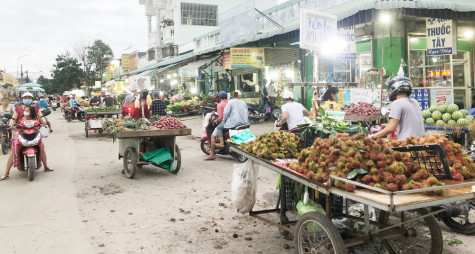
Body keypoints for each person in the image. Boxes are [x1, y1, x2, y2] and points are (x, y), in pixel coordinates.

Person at [1, 92, 53, 181]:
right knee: (13, 151)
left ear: (32, 99)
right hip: (19, 131)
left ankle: (46, 166)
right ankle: (6, 173)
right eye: (25, 98)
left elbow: (41, 117)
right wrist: (11, 124)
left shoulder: (35, 108)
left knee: (42, 148)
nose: (27, 99)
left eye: (29, 97)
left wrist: (43, 120)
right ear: (22, 99)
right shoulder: (18, 109)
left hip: (34, 130)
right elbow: (13, 119)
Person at [209, 91, 249, 160]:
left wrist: (224, 120)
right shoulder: (243, 102)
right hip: (246, 123)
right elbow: (247, 112)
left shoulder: (228, 103)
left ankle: (221, 144)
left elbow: (225, 113)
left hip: (234, 124)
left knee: (219, 127)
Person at [205, 91, 229, 161]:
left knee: (213, 135)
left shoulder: (220, 105)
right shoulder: (230, 102)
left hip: (225, 123)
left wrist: (216, 120)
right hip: (233, 122)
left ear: (219, 98)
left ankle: (212, 154)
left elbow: (221, 117)